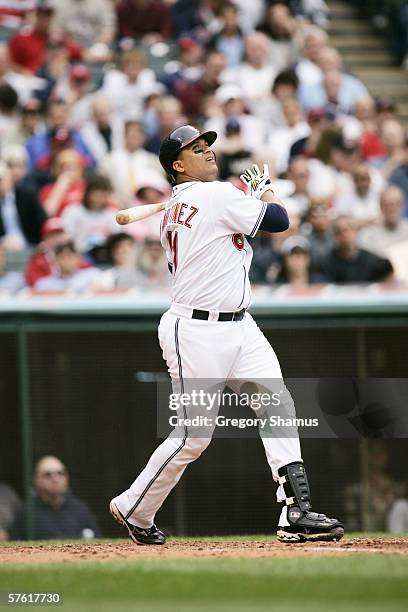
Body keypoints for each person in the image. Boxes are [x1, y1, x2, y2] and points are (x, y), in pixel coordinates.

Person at [109, 124, 344, 545]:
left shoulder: (184, 205)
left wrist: (245, 197)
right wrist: (264, 190)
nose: (208, 153)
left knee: (277, 404)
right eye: (196, 150)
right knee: (193, 436)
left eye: (207, 146)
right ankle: (134, 507)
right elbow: (279, 219)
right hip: (196, 329)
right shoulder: (213, 195)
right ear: (178, 166)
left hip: (240, 324)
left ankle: (296, 510)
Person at [9, 455, 100, 540]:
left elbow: (97, 540)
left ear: (67, 478)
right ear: (37, 480)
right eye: (48, 475)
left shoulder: (80, 509)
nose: (55, 479)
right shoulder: (26, 513)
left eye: (60, 473)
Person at [323, 215, 393, 284]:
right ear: (335, 236)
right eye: (339, 232)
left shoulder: (372, 260)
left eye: (347, 230)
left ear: (356, 231)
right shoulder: (327, 262)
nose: (344, 235)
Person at [34, 240, 100, 291]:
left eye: (70, 256)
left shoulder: (92, 275)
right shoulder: (44, 284)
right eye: (62, 257)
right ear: (55, 260)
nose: (66, 261)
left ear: (78, 258)